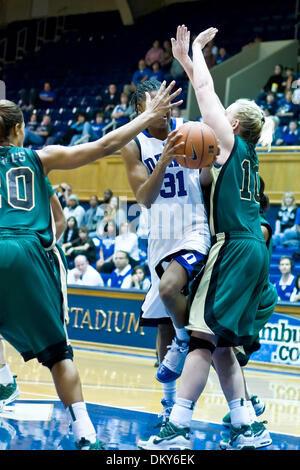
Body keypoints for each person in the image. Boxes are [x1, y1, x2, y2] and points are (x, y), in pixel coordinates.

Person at [0, 81, 181, 449]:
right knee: (58, 354)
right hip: (27, 251)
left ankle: (4, 378)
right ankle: (85, 434)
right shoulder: (39, 158)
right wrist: (146, 117)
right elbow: (102, 145)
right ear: (20, 129)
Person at [137, 25, 275, 451]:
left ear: (232, 123)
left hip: (231, 247)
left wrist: (192, 55)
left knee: (200, 339)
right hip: (254, 252)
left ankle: (176, 429)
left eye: (221, 116)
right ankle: (248, 426)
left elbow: (204, 87)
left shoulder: (231, 142)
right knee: (220, 346)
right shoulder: (248, 161)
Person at [121, 78, 211, 428]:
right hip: (159, 237)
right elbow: (143, 198)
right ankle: (170, 405)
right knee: (163, 326)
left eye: (167, 101)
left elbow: (203, 179)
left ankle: (188, 339)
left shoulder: (190, 131)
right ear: (138, 111)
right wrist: (166, 159)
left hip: (193, 230)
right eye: (156, 102)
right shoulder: (133, 143)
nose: (165, 107)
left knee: (170, 291)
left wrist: (207, 162)